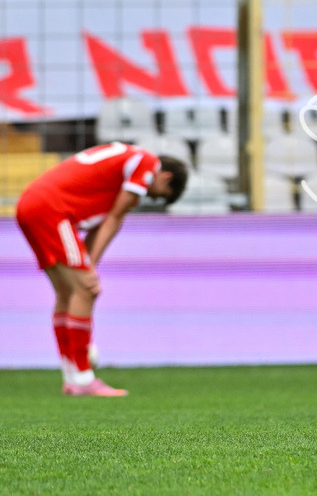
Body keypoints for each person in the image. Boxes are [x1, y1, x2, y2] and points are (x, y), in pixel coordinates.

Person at [15, 143, 189, 396]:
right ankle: (83, 378)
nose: (150, 198)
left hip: (33, 204)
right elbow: (114, 218)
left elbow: (104, 219)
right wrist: (89, 267)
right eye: (160, 193)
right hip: (52, 210)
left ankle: (73, 376)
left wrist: (87, 264)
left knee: (67, 293)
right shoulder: (147, 164)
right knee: (86, 290)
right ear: (166, 176)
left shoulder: (124, 160)